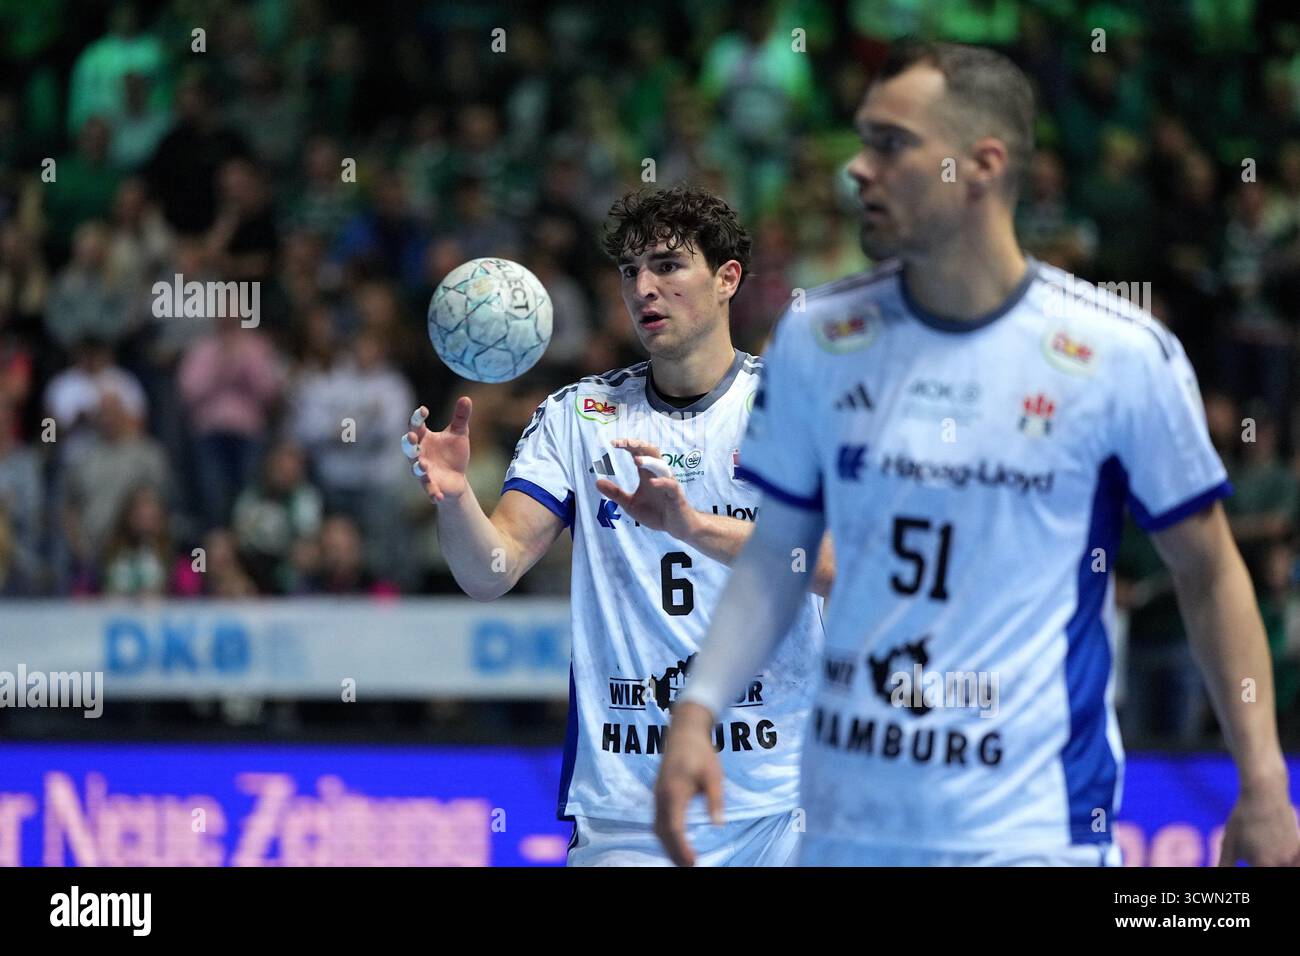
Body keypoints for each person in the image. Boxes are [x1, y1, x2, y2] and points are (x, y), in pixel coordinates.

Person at [655, 41, 1300, 868]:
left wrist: (1264, 778)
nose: (857, 169)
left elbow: (1208, 570)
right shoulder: (817, 340)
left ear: (983, 165)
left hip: (1036, 826)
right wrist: (698, 712)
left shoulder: (1117, 355)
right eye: (861, 140)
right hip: (852, 820)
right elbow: (778, 556)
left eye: (891, 144)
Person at [403, 185, 831, 866]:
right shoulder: (579, 416)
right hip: (632, 812)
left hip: (789, 803)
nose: (644, 288)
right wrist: (455, 499)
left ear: (727, 279)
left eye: (667, 265)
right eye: (631, 272)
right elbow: (492, 572)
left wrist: (691, 525)